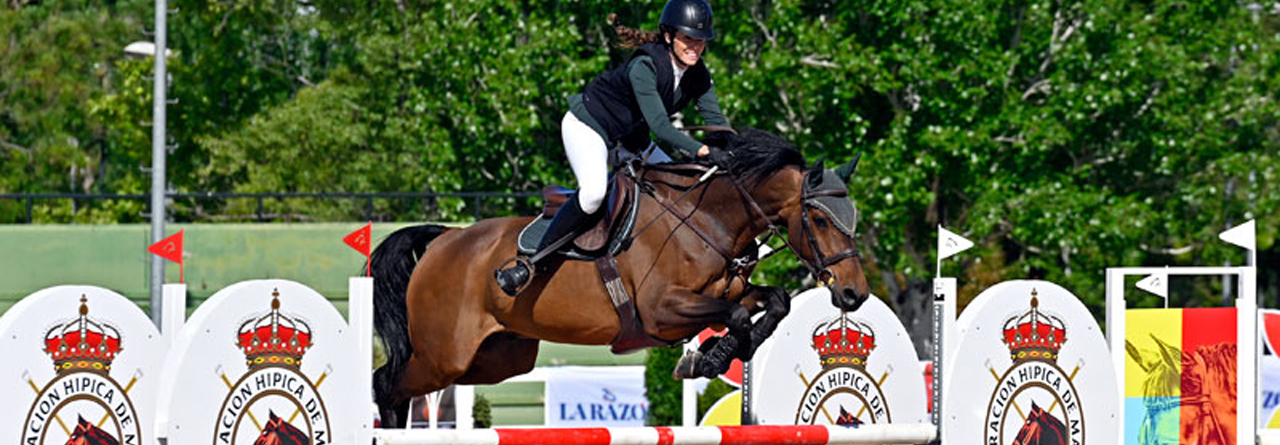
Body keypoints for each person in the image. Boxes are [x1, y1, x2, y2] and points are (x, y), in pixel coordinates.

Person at [494, 0, 733, 296]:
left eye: (701, 41)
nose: (695, 47)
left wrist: (735, 152)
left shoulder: (698, 73)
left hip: (630, 139)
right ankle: (530, 264)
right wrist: (703, 152)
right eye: (688, 38)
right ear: (669, 36)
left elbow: (717, 122)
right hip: (590, 126)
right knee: (594, 193)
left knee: (679, 189)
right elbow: (661, 127)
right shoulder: (644, 65)